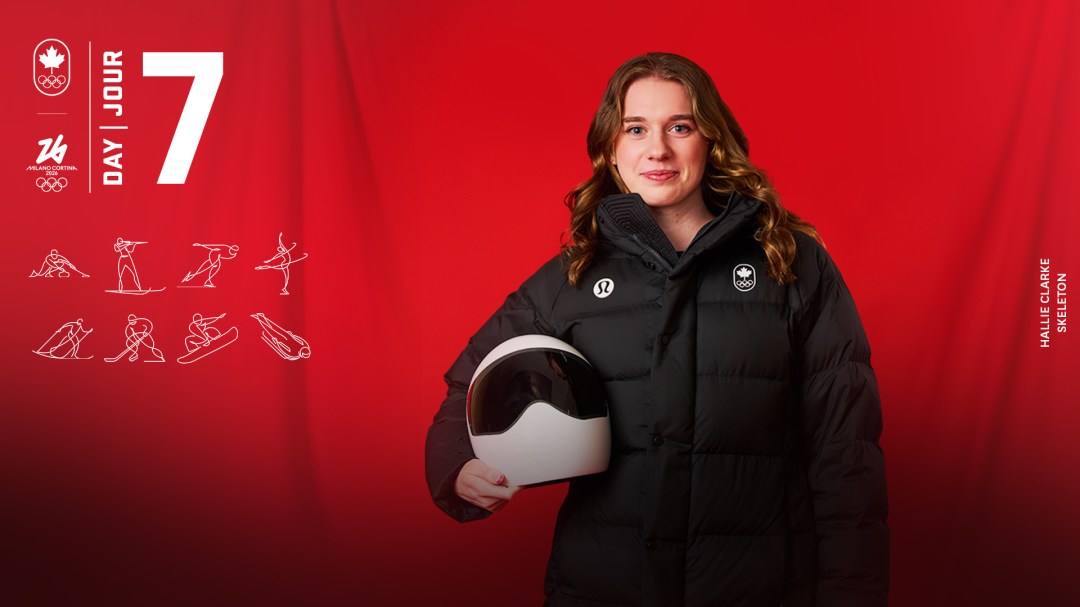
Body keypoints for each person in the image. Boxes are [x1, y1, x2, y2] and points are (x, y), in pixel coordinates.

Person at [425, 52, 888, 606]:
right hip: (602, 587)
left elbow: (846, 452)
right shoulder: (572, 277)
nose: (658, 149)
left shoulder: (791, 265)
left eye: (680, 127)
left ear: (710, 141)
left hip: (757, 587)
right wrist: (458, 467)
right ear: (611, 150)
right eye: (636, 128)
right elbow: (470, 384)